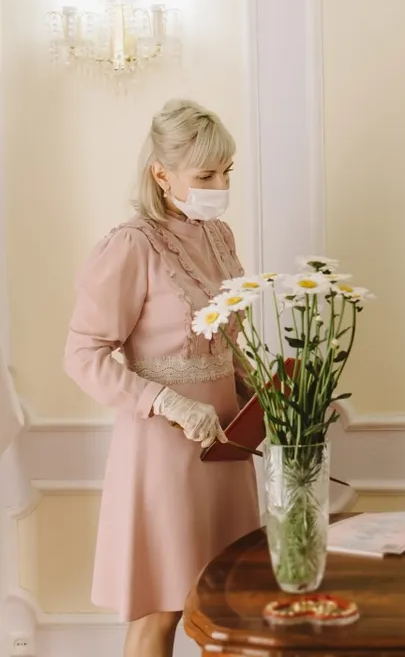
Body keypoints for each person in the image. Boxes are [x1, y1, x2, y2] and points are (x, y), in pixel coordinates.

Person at [63, 99, 260, 657]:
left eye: (227, 172)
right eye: (206, 175)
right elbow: (82, 354)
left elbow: (221, 340)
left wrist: (265, 393)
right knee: (163, 609)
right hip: (163, 451)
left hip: (226, 446)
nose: (221, 186)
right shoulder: (132, 244)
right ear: (161, 173)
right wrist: (168, 402)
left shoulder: (220, 236)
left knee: (229, 602)